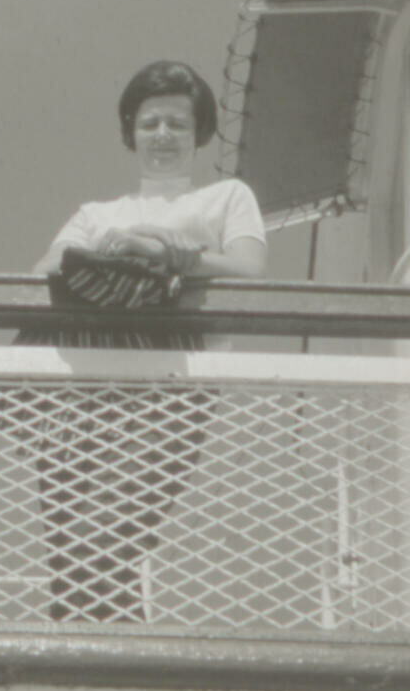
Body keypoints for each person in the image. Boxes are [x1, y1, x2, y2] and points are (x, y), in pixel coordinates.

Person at [30, 60, 267, 622]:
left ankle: (103, 647)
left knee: (117, 524)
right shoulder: (99, 213)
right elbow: (41, 271)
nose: (163, 136)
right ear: (132, 132)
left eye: (178, 125)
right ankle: (94, 643)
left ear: (199, 133)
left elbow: (251, 270)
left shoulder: (226, 197)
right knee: (68, 534)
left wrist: (170, 253)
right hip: (81, 385)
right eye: (151, 123)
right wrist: (120, 242)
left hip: (172, 380)